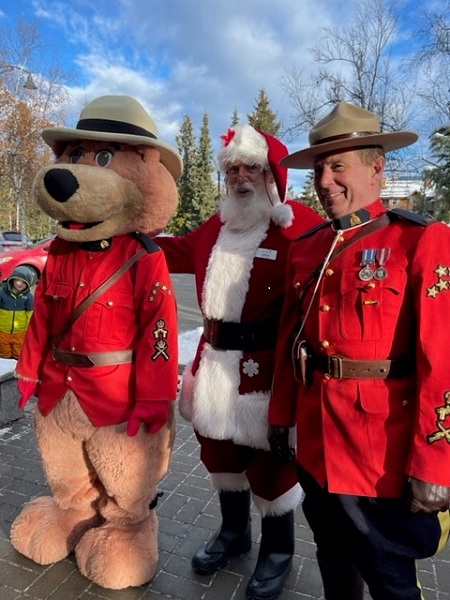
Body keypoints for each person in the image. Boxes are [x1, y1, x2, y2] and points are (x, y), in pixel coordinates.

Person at [268, 101, 450, 600]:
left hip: (380, 457)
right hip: (316, 449)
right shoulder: (306, 249)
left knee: (390, 579)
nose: (325, 180)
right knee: (332, 560)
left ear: (377, 166)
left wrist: (436, 463)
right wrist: (280, 417)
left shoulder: (420, 241)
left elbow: (444, 362)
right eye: (320, 168)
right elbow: (293, 342)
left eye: (339, 165)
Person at [157, 124, 324, 600]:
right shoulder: (217, 224)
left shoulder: (298, 226)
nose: (241, 177)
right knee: (220, 457)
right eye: (233, 169)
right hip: (212, 366)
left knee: (272, 469)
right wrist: (129, 236)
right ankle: (233, 534)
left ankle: (278, 552)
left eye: (251, 166)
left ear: (271, 174)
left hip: (267, 371)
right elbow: (175, 248)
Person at [0, 265, 34, 359]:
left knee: (19, 349)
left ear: (28, 284)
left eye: (24, 282)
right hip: (3, 329)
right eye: (18, 280)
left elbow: (29, 313)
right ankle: (5, 365)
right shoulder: (2, 293)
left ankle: (16, 364)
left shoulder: (28, 297)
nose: (20, 284)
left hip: (20, 331)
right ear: (12, 280)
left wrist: (28, 328)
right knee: (3, 349)